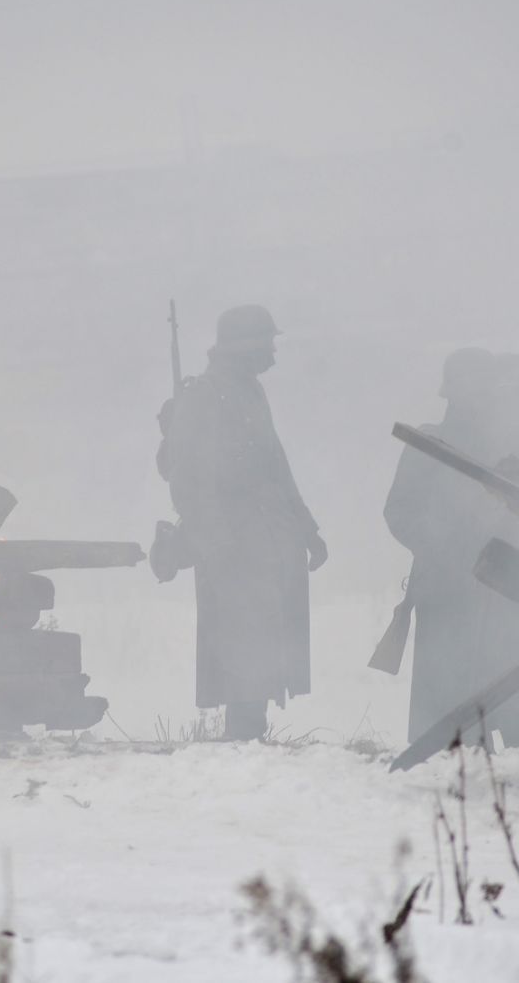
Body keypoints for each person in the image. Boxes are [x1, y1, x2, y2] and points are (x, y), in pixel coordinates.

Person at [162, 305, 327, 740]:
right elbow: (189, 479)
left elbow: (277, 466)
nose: (272, 350)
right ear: (244, 347)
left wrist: (307, 528)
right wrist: (218, 540)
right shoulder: (204, 394)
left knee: (268, 642)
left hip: (271, 537)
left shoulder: (251, 392)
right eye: (266, 342)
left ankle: (253, 736)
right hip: (233, 540)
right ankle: (243, 738)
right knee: (242, 646)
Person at [385, 348, 519, 743]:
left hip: (499, 578)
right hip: (444, 579)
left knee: (492, 669)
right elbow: (399, 510)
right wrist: (442, 549)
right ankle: (433, 750)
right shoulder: (429, 440)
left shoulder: (506, 444)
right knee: (440, 676)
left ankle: (480, 746)